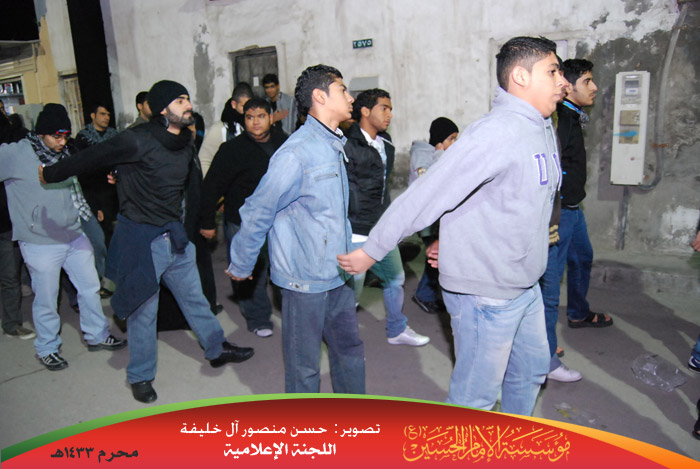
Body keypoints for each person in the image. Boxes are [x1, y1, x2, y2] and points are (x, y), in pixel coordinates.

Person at [338, 36, 566, 415]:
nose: (562, 81)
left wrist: (456, 237)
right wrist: (372, 249)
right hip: (486, 292)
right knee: (473, 401)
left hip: (524, 284)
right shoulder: (496, 132)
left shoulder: (540, 127)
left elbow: (503, 199)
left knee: (529, 373)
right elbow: (428, 194)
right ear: (521, 76)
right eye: (553, 71)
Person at [41, 81, 254, 403]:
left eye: (187, 98)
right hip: (143, 242)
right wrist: (50, 173)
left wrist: (123, 174)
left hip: (175, 237)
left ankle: (216, 348)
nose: (188, 104)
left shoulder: (185, 141)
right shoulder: (136, 139)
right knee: (143, 313)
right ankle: (140, 375)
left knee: (196, 299)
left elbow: (171, 180)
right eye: (180, 100)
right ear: (162, 108)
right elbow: (92, 158)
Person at [228, 65, 364, 394]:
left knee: (350, 351)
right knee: (304, 367)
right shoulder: (295, 154)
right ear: (320, 97)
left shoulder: (333, 144)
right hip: (304, 281)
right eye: (342, 90)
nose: (350, 98)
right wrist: (242, 262)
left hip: (338, 273)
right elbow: (258, 209)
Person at [0, 104, 126, 370]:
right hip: (39, 241)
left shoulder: (66, 153)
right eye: (56, 136)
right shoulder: (16, 154)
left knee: (90, 288)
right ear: (41, 133)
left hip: (73, 234)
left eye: (65, 135)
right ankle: (47, 347)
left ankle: (97, 334)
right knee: (47, 298)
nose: (62, 142)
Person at [344, 88, 429, 346]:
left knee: (395, 278)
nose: (389, 114)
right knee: (352, 290)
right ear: (365, 111)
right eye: (384, 108)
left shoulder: (387, 143)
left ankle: (396, 329)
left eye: (390, 109)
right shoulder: (347, 144)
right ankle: (341, 337)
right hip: (355, 228)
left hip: (382, 227)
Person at [200, 97, 287, 338]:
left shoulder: (285, 143)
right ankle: (258, 318)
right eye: (250, 117)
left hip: (280, 219)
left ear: (271, 118)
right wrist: (207, 221)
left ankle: (290, 311)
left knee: (284, 268)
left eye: (261, 116)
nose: (255, 122)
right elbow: (212, 186)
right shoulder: (232, 150)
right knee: (249, 271)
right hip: (243, 222)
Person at [555, 59, 611, 329]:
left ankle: (578, 312)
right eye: (587, 81)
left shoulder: (572, 115)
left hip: (573, 209)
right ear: (568, 86)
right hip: (561, 211)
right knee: (551, 277)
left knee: (582, 258)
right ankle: (542, 344)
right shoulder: (562, 119)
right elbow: (554, 164)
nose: (594, 87)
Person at [539, 58, 583, 383]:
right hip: (540, 229)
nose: (562, 82)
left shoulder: (553, 121)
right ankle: (543, 360)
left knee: (547, 295)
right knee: (546, 296)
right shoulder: (531, 126)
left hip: (553, 223)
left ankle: (542, 354)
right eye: (554, 73)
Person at [409, 117, 459, 314]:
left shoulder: (437, 154)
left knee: (436, 256)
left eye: (455, 139)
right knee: (435, 257)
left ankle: (427, 293)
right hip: (426, 219)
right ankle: (424, 295)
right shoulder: (422, 155)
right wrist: (440, 155)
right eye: (451, 139)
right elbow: (432, 182)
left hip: (435, 218)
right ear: (439, 140)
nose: (454, 144)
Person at [0, 99, 35, 340]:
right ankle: (11, 323)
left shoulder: (12, 144)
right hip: (6, 222)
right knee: (9, 275)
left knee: (12, 273)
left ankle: (12, 321)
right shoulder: (9, 145)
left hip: (10, 221)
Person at [199, 82, 254, 176]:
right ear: (234, 104)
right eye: (243, 107)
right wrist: (213, 183)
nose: (247, 111)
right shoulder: (219, 130)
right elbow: (204, 161)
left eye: (249, 106)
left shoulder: (254, 126)